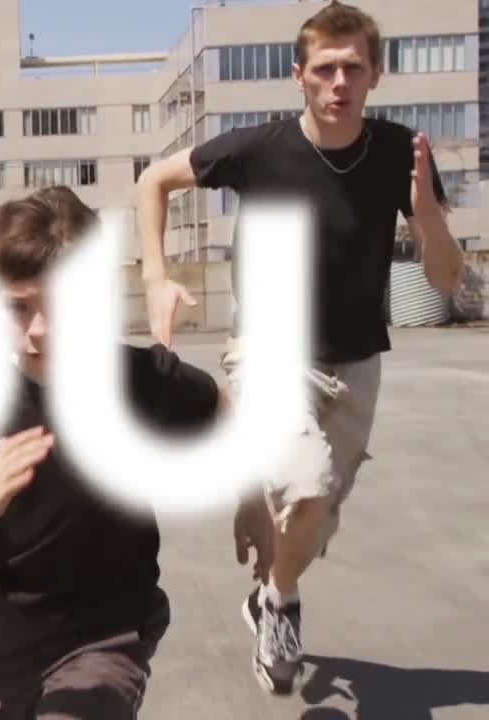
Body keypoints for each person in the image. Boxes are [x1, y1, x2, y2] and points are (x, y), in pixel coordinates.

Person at [134, 1, 462, 696]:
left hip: (357, 362)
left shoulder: (401, 153)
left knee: (313, 521)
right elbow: (152, 180)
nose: (339, 82)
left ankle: (268, 591)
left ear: (375, 74)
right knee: (307, 483)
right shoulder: (259, 149)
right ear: (299, 75)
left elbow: (445, 279)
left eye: (353, 68)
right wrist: (156, 276)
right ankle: (282, 603)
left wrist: (429, 216)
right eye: (325, 69)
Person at [0, 186, 226, 718]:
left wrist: (255, 504)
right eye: (18, 307)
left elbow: (225, 407)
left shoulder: (138, 380)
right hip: (2, 642)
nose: (39, 330)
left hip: (108, 633)